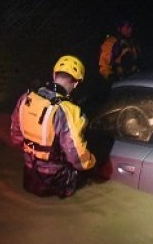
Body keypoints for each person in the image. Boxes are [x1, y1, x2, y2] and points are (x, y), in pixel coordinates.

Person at [10, 55, 97, 198]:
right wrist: (92, 162)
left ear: (54, 75)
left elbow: (15, 137)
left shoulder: (26, 98)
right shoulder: (69, 110)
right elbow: (77, 157)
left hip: (29, 174)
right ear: (76, 84)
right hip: (56, 180)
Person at [98, 18, 142, 83]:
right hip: (120, 80)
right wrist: (111, 77)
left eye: (131, 27)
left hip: (135, 79)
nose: (130, 30)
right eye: (127, 27)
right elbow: (103, 65)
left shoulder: (132, 42)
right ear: (119, 28)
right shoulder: (111, 42)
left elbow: (138, 58)